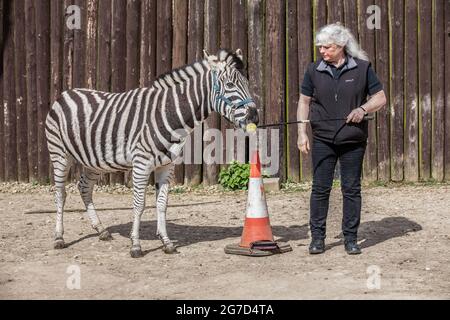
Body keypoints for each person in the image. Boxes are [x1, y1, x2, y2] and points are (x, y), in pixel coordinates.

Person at [297, 23, 387, 255]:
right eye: (320, 47)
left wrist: (363, 109)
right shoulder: (313, 70)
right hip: (323, 139)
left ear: (341, 46)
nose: (322, 52)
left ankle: (351, 238)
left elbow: (380, 98)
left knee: (351, 189)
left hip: (353, 140)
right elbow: (304, 102)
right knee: (320, 189)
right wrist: (301, 132)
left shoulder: (363, 68)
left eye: (327, 47)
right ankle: (317, 238)